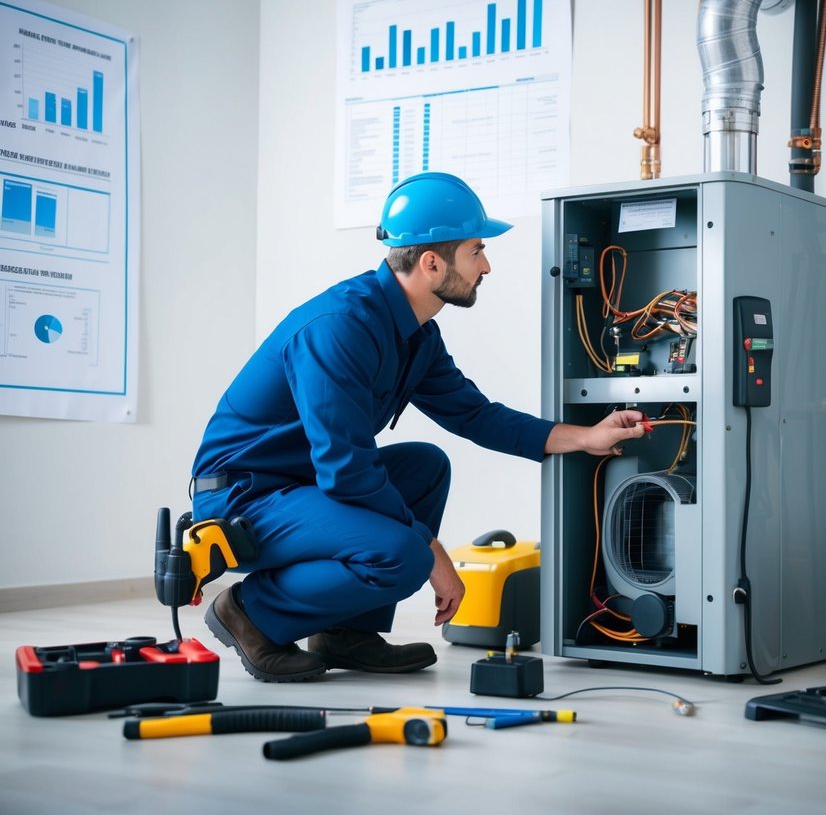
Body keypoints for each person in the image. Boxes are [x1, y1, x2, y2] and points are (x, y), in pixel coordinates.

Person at [189, 172, 645, 682]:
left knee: (425, 467)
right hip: (246, 495)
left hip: (302, 484)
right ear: (432, 263)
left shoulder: (416, 335)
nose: (487, 265)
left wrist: (585, 437)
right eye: (476, 251)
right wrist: (432, 550)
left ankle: (346, 632)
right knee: (402, 555)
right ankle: (250, 612)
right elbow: (346, 471)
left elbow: (476, 414)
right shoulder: (339, 328)